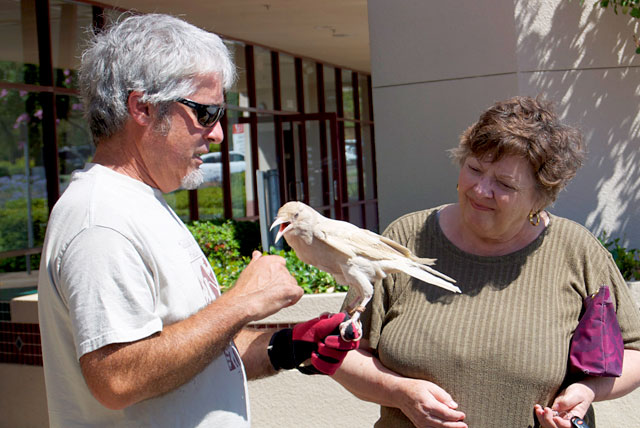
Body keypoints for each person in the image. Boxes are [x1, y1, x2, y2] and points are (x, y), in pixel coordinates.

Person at [37, 13, 355, 427]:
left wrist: (290, 345)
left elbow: (192, 350)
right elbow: (117, 377)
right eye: (206, 113)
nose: (219, 133)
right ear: (143, 108)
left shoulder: (140, 203)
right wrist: (243, 302)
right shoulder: (101, 220)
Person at [332, 96, 640, 427]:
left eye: (504, 184)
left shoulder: (578, 252)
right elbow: (340, 349)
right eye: (475, 169)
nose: (480, 190)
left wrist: (586, 390)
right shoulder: (406, 239)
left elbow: (634, 353)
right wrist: (399, 392)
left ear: (541, 197)